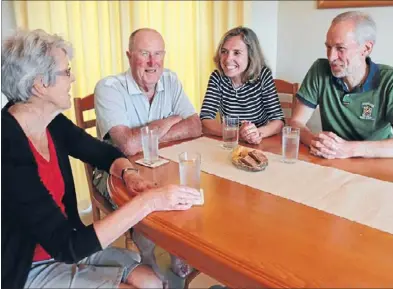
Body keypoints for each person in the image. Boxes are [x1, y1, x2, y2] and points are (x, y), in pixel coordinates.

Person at [1, 29, 201, 289]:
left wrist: (128, 173)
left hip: (66, 242)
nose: (72, 79)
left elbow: (101, 152)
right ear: (40, 84)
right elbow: (67, 247)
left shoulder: (50, 122)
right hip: (28, 266)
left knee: (151, 281)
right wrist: (149, 200)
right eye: (66, 72)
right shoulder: (8, 145)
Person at [93, 28, 201, 279]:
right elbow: (127, 146)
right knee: (141, 194)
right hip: (116, 169)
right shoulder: (108, 87)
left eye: (158, 54)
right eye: (144, 54)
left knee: (186, 183)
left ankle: (177, 250)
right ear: (129, 56)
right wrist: (169, 121)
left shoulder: (171, 80)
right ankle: (147, 255)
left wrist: (147, 134)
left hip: (163, 161)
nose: (153, 62)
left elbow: (195, 127)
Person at [290, 11, 393, 159]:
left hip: (375, 164)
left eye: (340, 49)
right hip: (331, 162)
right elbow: (296, 122)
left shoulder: (389, 80)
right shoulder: (319, 70)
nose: (331, 57)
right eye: (328, 47)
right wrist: (315, 142)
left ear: (366, 48)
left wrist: (349, 149)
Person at [200, 26, 285, 145]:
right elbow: (205, 119)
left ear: (250, 56)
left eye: (237, 53)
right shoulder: (217, 77)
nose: (228, 59)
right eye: (224, 52)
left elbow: (278, 121)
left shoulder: (263, 75)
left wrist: (256, 133)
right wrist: (236, 132)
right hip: (230, 142)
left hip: (259, 142)